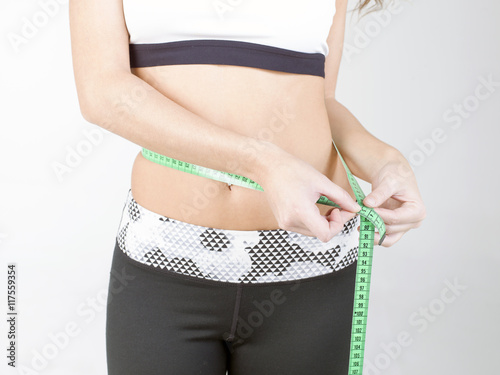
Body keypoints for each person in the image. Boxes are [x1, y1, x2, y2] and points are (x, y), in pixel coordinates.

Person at [69, 0, 426, 374]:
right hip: (167, 257)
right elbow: (102, 93)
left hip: (311, 259)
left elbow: (321, 99)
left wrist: (387, 160)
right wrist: (262, 163)